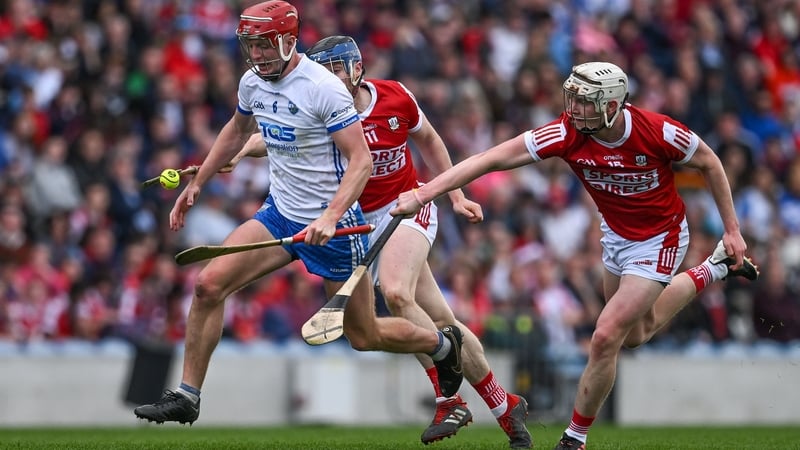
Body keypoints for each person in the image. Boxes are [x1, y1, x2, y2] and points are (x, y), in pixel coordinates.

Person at [390, 61, 760, 450]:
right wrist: (426, 192)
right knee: (636, 333)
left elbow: (710, 163)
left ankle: (574, 439)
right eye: (573, 99)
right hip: (615, 237)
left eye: (585, 102)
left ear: (613, 105)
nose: (574, 109)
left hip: (660, 238)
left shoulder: (658, 130)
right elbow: (491, 159)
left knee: (604, 337)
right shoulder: (566, 133)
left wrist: (732, 229)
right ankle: (714, 267)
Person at [133, 1, 464, 426]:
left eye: (265, 46)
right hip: (280, 213)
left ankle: (442, 344)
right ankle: (187, 395)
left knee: (364, 336)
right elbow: (237, 131)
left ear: (289, 41)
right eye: (250, 46)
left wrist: (330, 217)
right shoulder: (253, 82)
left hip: (337, 227)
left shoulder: (322, 88)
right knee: (208, 286)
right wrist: (198, 183)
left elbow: (360, 161)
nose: (256, 55)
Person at [231, 35, 532, 448]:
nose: (332, 78)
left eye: (338, 68)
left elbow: (429, 141)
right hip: (358, 221)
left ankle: (448, 399)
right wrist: (233, 155)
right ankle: (505, 405)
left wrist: (456, 195)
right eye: (325, 71)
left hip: (406, 205)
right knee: (445, 322)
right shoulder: (318, 106)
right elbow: (270, 135)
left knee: (395, 292)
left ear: (356, 68)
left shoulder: (395, 98)